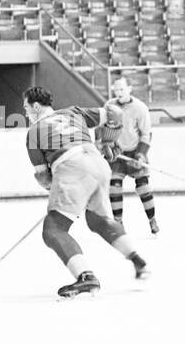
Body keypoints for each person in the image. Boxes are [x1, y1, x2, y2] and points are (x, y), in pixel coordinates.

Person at [23, 86, 150, 298]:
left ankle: (86, 277)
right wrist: (109, 142)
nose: (26, 112)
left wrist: (54, 189)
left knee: (53, 229)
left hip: (71, 167)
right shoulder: (73, 112)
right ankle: (138, 261)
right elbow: (115, 114)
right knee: (97, 221)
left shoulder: (34, 131)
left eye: (26, 108)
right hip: (97, 164)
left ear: (36, 106)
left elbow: (45, 177)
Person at [97, 73, 159, 235]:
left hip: (135, 152)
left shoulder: (140, 108)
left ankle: (152, 220)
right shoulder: (109, 105)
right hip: (117, 155)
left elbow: (146, 134)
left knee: (143, 187)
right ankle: (118, 223)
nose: (119, 92)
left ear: (129, 89)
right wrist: (106, 146)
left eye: (122, 89)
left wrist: (140, 155)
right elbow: (102, 128)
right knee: (114, 187)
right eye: (116, 89)